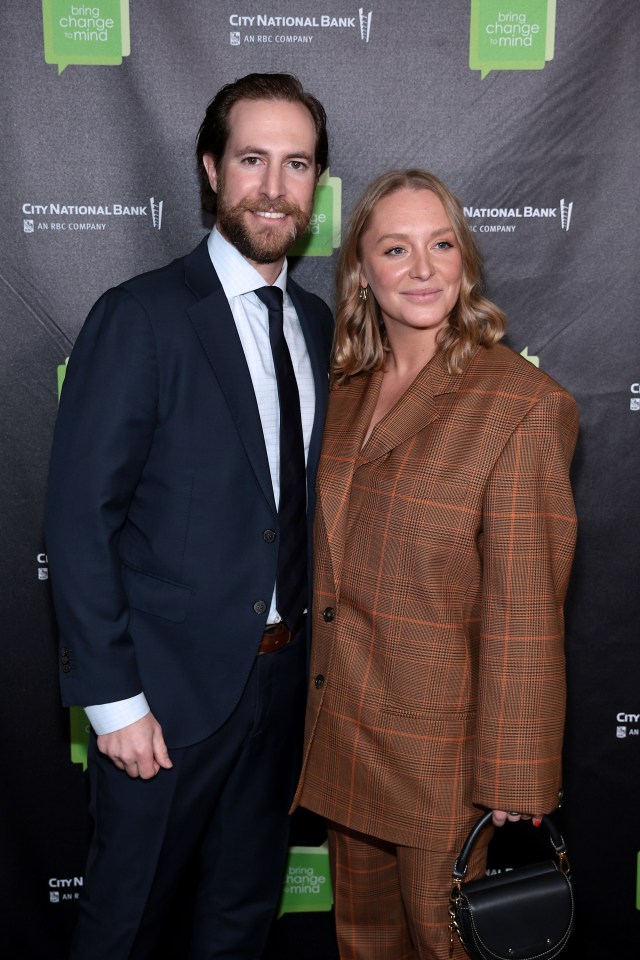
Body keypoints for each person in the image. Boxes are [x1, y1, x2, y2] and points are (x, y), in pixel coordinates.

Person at [45, 73, 333, 959]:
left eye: (297, 164)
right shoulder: (142, 317)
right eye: (253, 159)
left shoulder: (317, 324)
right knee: (125, 928)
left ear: (318, 185)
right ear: (211, 170)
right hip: (162, 702)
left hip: (285, 692)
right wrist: (115, 704)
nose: (274, 186)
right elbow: (77, 520)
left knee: (240, 925)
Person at [292, 169, 579, 960]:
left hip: (443, 763)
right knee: (364, 944)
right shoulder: (340, 387)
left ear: (466, 261)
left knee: (447, 946)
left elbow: (526, 608)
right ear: (362, 271)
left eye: (441, 244)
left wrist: (516, 777)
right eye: (396, 248)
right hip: (344, 732)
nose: (422, 269)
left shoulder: (519, 403)